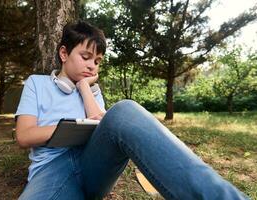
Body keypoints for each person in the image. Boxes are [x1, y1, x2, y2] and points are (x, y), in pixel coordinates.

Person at [15, 21, 249, 200]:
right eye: (85, 57)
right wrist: (65, 128)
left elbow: (100, 121)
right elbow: (24, 136)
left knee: (124, 110)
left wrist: (85, 87)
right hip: (51, 168)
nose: (91, 65)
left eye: (97, 61)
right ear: (64, 54)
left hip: (92, 162)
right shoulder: (37, 83)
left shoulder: (92, 90)